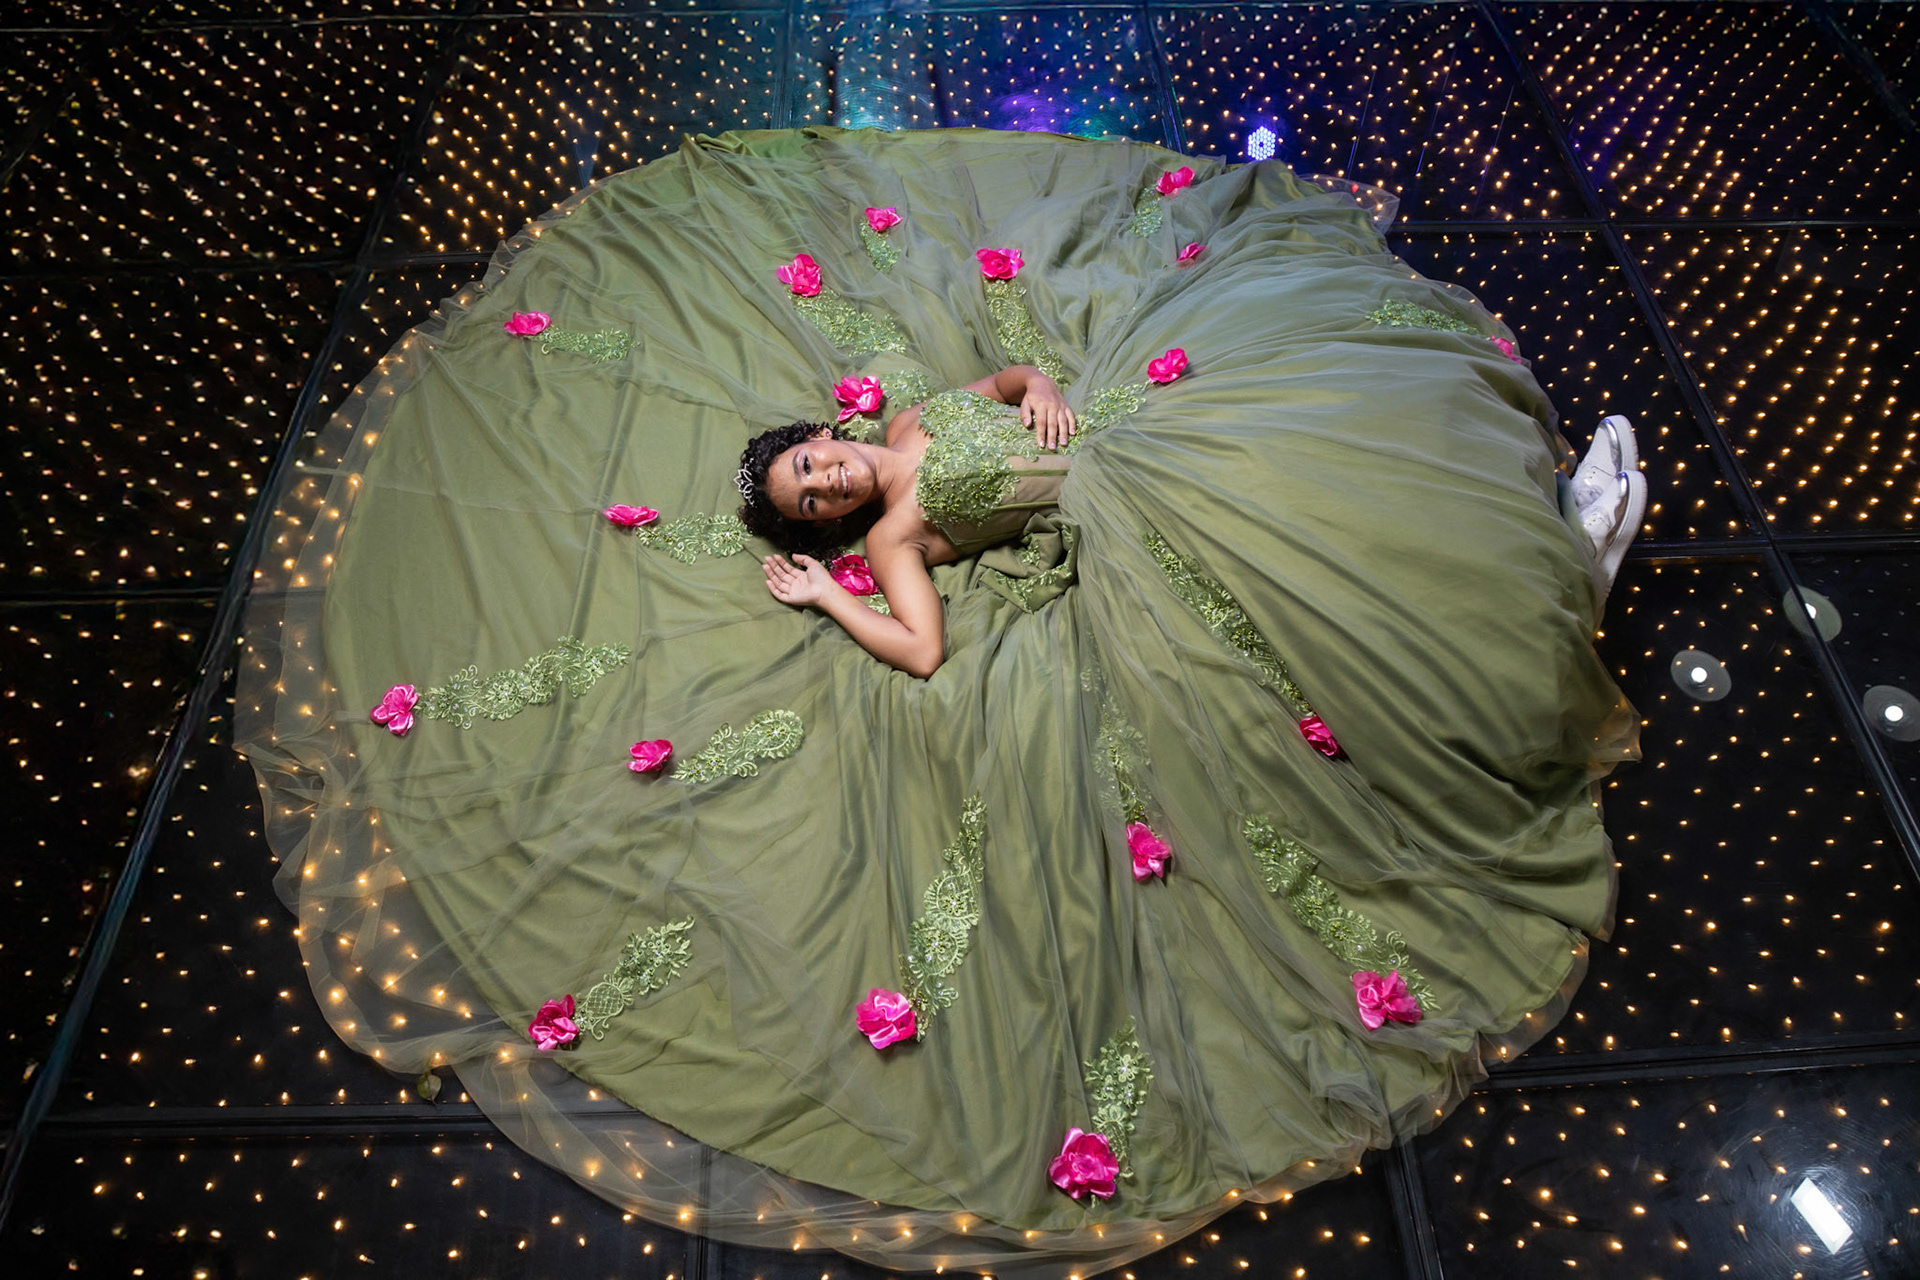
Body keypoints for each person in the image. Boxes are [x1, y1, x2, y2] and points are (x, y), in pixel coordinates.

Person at [235, 126, 1643, 1277]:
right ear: (829, 526)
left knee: (1316, 441)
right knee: (1308, 594)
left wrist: (1041, 392)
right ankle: (1556, 572)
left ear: (834, 435)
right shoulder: (899, 540)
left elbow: (1011, 374)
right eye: (812, 504)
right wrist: (830, 598)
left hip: (1131, 436)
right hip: (1125, 538)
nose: (828, 482)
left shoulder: (912, 421)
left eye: (814, 465)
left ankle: (1528, 523)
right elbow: (919, 654)